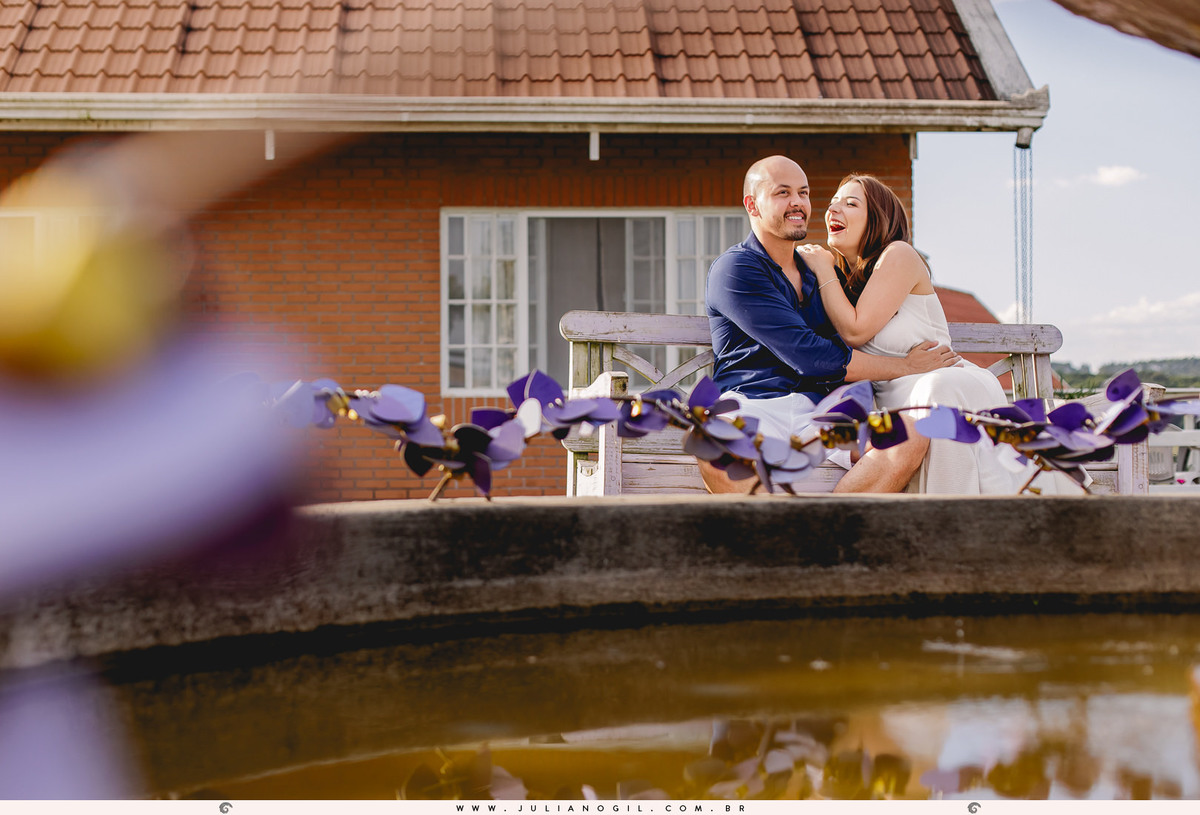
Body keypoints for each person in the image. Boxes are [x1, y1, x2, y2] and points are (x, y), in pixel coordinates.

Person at [701, 156, 960, 494]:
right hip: (752, 405)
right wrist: (905, 366)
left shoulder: (823, 273)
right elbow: (809, 355)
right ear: (752, 204)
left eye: (804, 193)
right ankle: (782, 537)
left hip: (821, 412)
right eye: (783, 193)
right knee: (715, 444)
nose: (798, 203)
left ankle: (829, 528)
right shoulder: (736, 269)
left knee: (909, 436)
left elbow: (864, 323)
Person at [798, 173, 1060, 494]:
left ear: (878, 219)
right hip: (901, 410)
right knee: (913, 420)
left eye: (851, 203)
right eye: (834, 202)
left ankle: (949, 516)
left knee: (935, 390)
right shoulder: (844, 285)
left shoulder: (899, 255)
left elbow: (855, 331)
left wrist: (823, 268)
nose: (833, 209)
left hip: (955, 386)